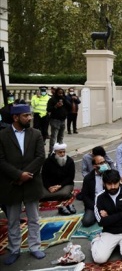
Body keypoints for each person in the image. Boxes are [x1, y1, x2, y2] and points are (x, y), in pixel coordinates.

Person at [0, 104, 46, 265]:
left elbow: (40, 157)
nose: (30, 118)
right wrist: (18, 175)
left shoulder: (36, 134)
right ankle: (14, 249)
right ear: (15, 117)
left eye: (30, 115)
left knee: (33, 218)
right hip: (11, 183)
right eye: (26, 115)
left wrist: (26, 175)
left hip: (31, 182)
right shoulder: (2, 135)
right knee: (13, 220)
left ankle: (35, 246)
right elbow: (1, 160)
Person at [91, 170, 122, 264]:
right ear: (104, 183)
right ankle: (96, 240)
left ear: (119, 181)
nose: (112, 187)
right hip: (109, 232)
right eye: (109, 184)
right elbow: (100, 222)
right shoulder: (99, 197)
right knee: (99, 259)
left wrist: (109, 217)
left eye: (115, 183)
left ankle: (118, 245)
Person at [40, 143, 76, 214]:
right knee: (41, 195)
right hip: (50, 185)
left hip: (64, 184)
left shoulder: (70, 161)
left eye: (64, 152)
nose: (62, 154)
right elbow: (44, 176)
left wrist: (60, 186)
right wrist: (49, 187)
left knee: (65, 194)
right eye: (60, 152)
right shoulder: (48, 161)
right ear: (55, 152)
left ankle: (56, 196)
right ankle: (56, 196)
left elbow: (70, 177)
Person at [47, 87, 72, 152]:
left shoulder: (64, 99)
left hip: (62, 120)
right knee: (54, 137)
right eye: (59, 93)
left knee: (61, 137)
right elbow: (48, 109)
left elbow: (70, 106)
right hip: (55, 120)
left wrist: (64, 99)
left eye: (62, 93)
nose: (60, 94)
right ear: (56, 93)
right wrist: (56, 106)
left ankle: (60, 150)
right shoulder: (52, 100)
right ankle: (51, 151)